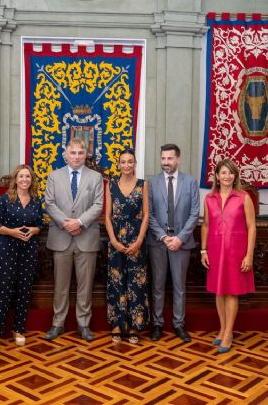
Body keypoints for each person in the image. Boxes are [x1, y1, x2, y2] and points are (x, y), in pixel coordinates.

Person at [44, 137, 104, 342]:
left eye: (80, 153)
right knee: (60, 285)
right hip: (61, 237)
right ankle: (57, 323)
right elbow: (49, 204)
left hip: (86, 238)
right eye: (73, 153)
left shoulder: (95, 177)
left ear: (85, 155)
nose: (77, 157)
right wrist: (66, 223)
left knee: (85, 286)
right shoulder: (54, 176)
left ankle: (83, 324)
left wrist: (79, 222)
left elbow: (98, 205)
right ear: (65, 155)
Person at [201, 158, 256, 353]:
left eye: (230, 172)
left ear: (235, 176)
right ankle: (223, 328)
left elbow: (251, 227)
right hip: (216, 250)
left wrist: (248, 255)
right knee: (219, 291)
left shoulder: (244, 197)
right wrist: (203, 250)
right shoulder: (209, 199)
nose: (227, 176)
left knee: (232, 291)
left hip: (236, 251)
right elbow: (206, 225)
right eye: (223, 172)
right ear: (217, 176)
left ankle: (228, 333)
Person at [147, 144, 199, 343]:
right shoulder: (152, 183)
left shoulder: (190, 182)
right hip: (158, 243)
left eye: (170, 158)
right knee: (157, 286)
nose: (166, 162)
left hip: (182, 243)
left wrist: (180, 238)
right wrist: (163, 236)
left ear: (178, 159)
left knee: (179, 286)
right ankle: (157, 324)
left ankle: (179, 324)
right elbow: (149, 214)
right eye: (163, 158)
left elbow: (195, 213)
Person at [0, 165, 44, 351]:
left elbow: (40, 224)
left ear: (31, 180)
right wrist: (12, 232)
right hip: (7, 249)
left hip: (28, 250)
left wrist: (33, 231)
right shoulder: (5, 199)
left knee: (24, 290)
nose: (24, 180)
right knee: (3, 289)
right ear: (15, 179)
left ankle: (19, 329)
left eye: (28, 176)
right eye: (21, 176)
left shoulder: (36, 200)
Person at [104, 148, 149, 344]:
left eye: (130, 161)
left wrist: (139, 241)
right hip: (116, 240)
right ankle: (116, 324)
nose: (127, 165)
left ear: (135, 163)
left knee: (136, 283)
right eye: (123, 162)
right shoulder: (111, 186)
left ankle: (133, 325)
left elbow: (146, 214)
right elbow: (106, 215)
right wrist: (113, 240)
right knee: (116, 283)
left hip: (137, 240)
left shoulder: (143, 185)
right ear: (119, 163)